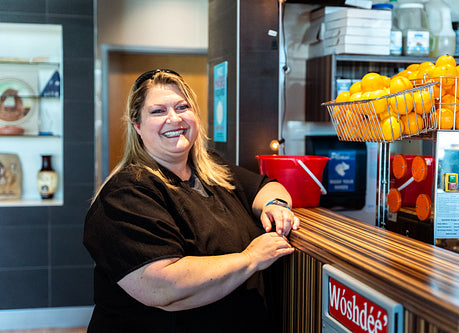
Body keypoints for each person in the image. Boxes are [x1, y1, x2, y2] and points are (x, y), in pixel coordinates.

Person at [83, 69, 300, 332]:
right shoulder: (126, 193)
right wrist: (251, 259)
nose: (174, 118)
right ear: (137, 125)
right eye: (158, 111)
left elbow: (267, 187)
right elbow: (163, 286)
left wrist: (275, 205)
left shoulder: (212, 169)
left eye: (182, 107)